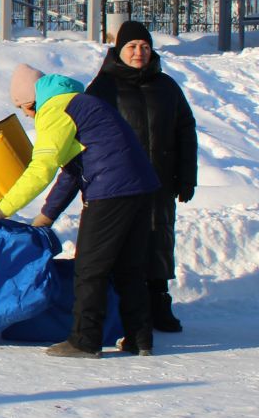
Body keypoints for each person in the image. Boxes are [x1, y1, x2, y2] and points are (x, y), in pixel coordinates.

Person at [0, 63, 158, 359]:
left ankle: (85, 341)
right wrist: (47, 215)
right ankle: (140, 337)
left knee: (89, 268)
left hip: (110, 191)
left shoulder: (55, 110)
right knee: (129, 267)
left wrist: (2, 208)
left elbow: (42, 168)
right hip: (141, 187)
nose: (27, 116)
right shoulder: (83, 104)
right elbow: (73, 171)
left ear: (33, 101)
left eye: (25, 109)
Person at [84, 20, 198, 333]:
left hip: (159, 180)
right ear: (119, 50)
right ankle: (124, 307)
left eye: (145, 47)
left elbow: (185, 130)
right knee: (122, 243)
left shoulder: (166, 87)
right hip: (118, 184)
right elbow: (86, 135)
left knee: (159, 238)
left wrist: (186, 177)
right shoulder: (104, 87)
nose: (139, 53)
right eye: (132, 47)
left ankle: (159, 301)